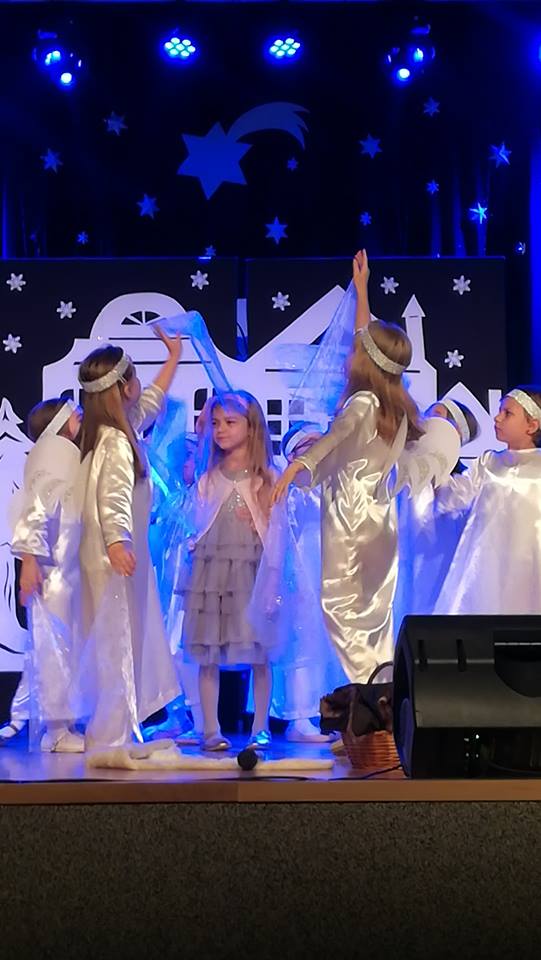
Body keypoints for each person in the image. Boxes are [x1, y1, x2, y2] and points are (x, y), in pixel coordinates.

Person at [271, 250, 423, 683]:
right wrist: (362, 291)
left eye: (354, 351)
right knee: (372, 611)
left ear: (365, 362)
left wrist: (296, 467)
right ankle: (380, 692)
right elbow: (367, 337)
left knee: (339, 605)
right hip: (379, 515)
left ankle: (369, 688)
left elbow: (335, 437)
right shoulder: (395, 405)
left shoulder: (362, 403)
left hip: (351, 513)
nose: (346, 355)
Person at [77, 329, 180, 748]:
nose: (140, 385)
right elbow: (113, 496)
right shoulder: (117, 443)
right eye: (135, 377)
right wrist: (118, 541)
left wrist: (173, 357)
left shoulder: (112, 431)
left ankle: (114, 728)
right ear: (123, 387)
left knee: (119, 636)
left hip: (109, 553)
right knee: (118, 638)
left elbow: (151, 402)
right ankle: (112, 732)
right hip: (114, 555)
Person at [174, 390, 278, 751]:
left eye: (230, 422)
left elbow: (278, 534)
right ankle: (210, 728)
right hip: (213, 576)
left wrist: (273, 580)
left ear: (251, 427)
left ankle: (260, 726)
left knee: (260, 651)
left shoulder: (267, 479)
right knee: (208, 650)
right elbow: (197, 524)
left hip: (252, 573)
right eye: (216, 423)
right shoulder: (207, 480)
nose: (220, 429)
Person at [9, 398, 84, 752]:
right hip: (52, 570)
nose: (82, 420)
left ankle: (63, 726)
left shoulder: (60, 454)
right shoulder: (55, 451)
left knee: (62, 646)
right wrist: (29, 559)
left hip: (62, 567)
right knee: (54, 648)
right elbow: (36, 507)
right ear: (63, 424)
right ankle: (56, 732)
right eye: (77, 416)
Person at [434, 386, 541, 614]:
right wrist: (434, 469)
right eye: (500, 411)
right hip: (489, 563)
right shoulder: (489, 462)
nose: (497, 417)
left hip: (532, 563)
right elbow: (455, 496)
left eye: (507, 413)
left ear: (532, 426)